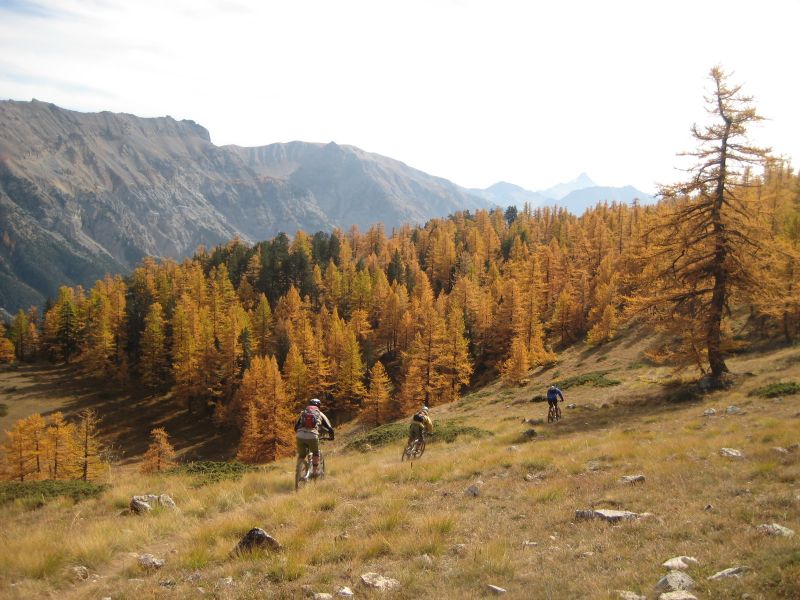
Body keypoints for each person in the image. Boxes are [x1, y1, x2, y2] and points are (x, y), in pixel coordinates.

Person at [294, 398, 334, 476]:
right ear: (319, 406)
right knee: (315, 453)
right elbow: (330, 429)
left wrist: (302, 433)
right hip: (312, 435)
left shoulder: (303, 413)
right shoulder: (320, 414)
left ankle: (298, 471)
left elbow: (296, 428)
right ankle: (315, 472)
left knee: (302, 454)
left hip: (300, 435)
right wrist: (331, 437)